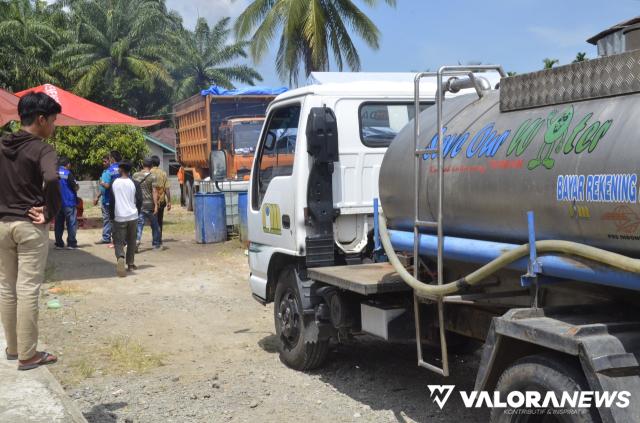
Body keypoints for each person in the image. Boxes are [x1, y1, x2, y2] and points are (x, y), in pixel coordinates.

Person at [0, 92, 61, 370]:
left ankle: (13, 348)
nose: (54, 126)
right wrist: (50, 211)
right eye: (53, 120)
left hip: (2, 226)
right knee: (27, 289)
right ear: (40, 119)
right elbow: (51, 177)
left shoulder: (2, 144)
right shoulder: (42, 148)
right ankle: (28, 355)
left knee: (6, 287)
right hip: (29, 225)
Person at [109, 160, 142, 277]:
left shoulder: (114, 183)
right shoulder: (135, 183)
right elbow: (139, 200)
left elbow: (112, 201)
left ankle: (120, 257)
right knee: (132, 240)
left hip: (119, 216)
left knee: (118, 241)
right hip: (133, 216)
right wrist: (136, 211)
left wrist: (112, 216)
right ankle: (131, 264)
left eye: (119, 168)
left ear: (121, 170)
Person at [134, 158, 161, 251]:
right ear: (151, 166)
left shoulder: (135, 175)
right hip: (150, 205)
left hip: (139, 204)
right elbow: (154, 191)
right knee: (155, 225)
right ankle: (156, 244)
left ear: (142, 165)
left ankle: (137, 241)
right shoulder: (153, 177)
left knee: (139, 224)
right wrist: (156, 205)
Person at [96, 151, 121, 246]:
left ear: (112, 159)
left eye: (108, 159)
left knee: (108, 219)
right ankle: (120, 239)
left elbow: (106, 186)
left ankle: (107, 238)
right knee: (119, 219)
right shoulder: (123, 168)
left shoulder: (109, 170)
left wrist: (102, 183)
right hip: (120, 198)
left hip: (108, 199)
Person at [54, 156, 79, 250]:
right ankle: (71, 243)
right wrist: (77, 187)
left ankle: (59, 244)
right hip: (69, 202)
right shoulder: (68, 174)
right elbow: (75, 187)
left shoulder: (54, 173)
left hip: (57, 203)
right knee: (71, 223)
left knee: (58, 223)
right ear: (67, 164)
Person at [150, 155, 171, 241]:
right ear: (159, 163)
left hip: (151, 200)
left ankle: (155, 238)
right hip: (161, 200)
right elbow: (167, 189)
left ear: (151, 163)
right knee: (160, 220)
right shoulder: (163, 173)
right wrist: (169, 201)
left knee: (153, 220)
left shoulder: (149, 173)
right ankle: (159, 238)